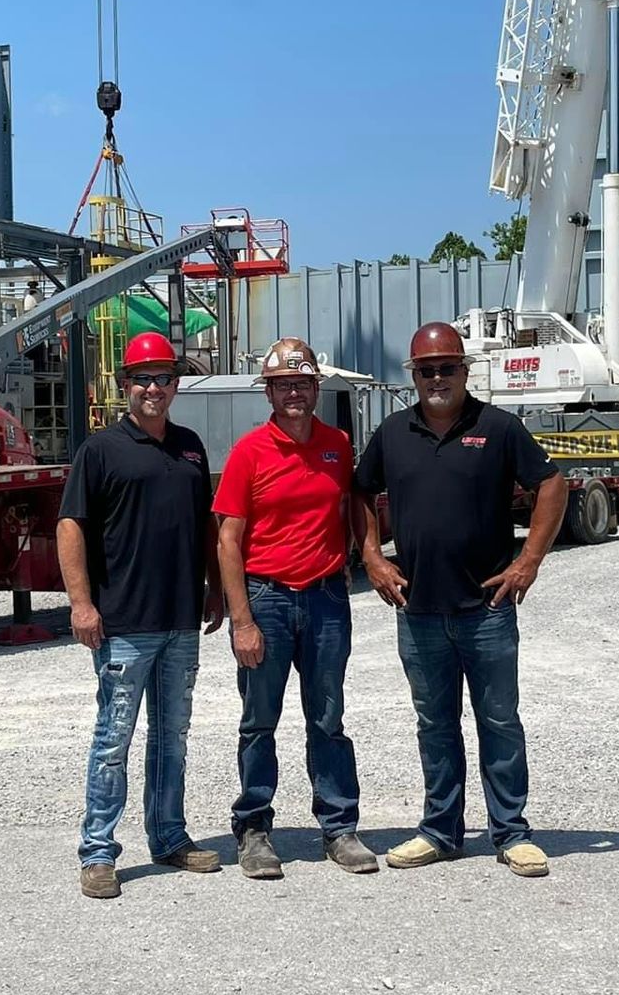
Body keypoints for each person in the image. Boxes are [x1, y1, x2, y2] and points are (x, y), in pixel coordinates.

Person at [354, 321, 568, 878]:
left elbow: (552, 484)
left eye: (447, 367)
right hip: (419, 610)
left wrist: (529, 561)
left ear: (465, 371)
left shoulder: (497, 427)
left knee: (499, 720)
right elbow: (359, 491)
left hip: (486, 611)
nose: (437, 378)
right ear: (414, 376)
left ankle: (512, 833)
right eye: (426, 370)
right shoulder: (394, 432)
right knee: (435, 725)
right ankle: (440, 831)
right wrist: (373, 557)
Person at [59, 331, 226, 898]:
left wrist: (214, 589)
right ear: (124, 385)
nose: (154, 388)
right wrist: (82, 604)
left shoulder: (190, 446)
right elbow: (70, 527)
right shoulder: (100, 450)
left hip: (181, 619)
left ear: (176, 385)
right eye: (143, 378)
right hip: (125, 624)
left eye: (164, 378)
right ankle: (98, 852)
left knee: (171, 736)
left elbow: (205, 523)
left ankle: (169, 836)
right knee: (114, 739)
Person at [214, 337, 376, 879]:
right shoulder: (249, 452)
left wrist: (363, 553)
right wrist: (242, 621)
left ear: (316, 388)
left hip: (327, 596)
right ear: (269, 392)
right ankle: (255, 828)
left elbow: (355, 505)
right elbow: (228, 540)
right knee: (260, 720)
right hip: (268, 598)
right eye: (283, 385)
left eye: (302, 384)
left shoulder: (337, 446)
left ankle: (339, 827)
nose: (294, 394)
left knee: (327, 718)